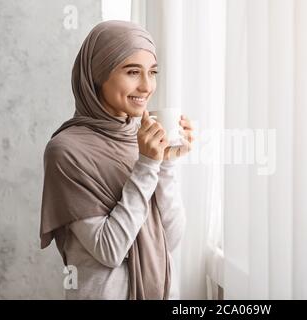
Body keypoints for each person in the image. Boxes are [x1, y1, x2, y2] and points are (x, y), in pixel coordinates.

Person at [39, 20, 193, 300]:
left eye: (153, 72)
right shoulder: (65, 152)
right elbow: (110, 250)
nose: (147, 86)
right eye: (133, 72)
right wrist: (147, 165)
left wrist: (166, 162)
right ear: (98, 74)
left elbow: (169, 239)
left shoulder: (141, 139)